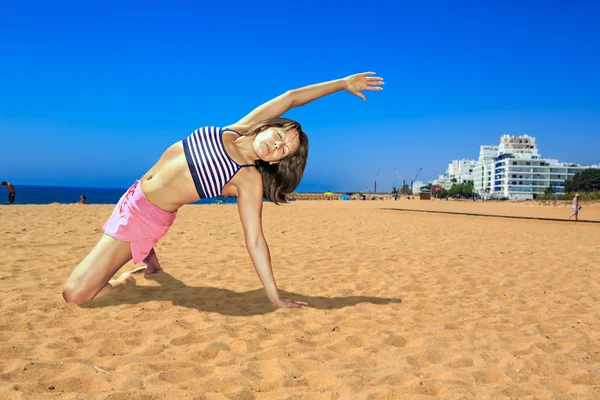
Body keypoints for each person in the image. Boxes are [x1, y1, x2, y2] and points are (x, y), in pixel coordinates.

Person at [62, 72, 384, 308]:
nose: (278, 145)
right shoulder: (238, 129)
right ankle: (151, 261)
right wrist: (342, 84)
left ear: (278, 161)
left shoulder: (247, 179)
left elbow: (255, 240)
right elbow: (291, 97)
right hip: (133, 193)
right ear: (270, 124)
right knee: (128, 242)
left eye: (284, 151)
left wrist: (273, 296)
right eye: (282, 136)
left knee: (75, 294)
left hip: (144, 218)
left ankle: (122, 282)